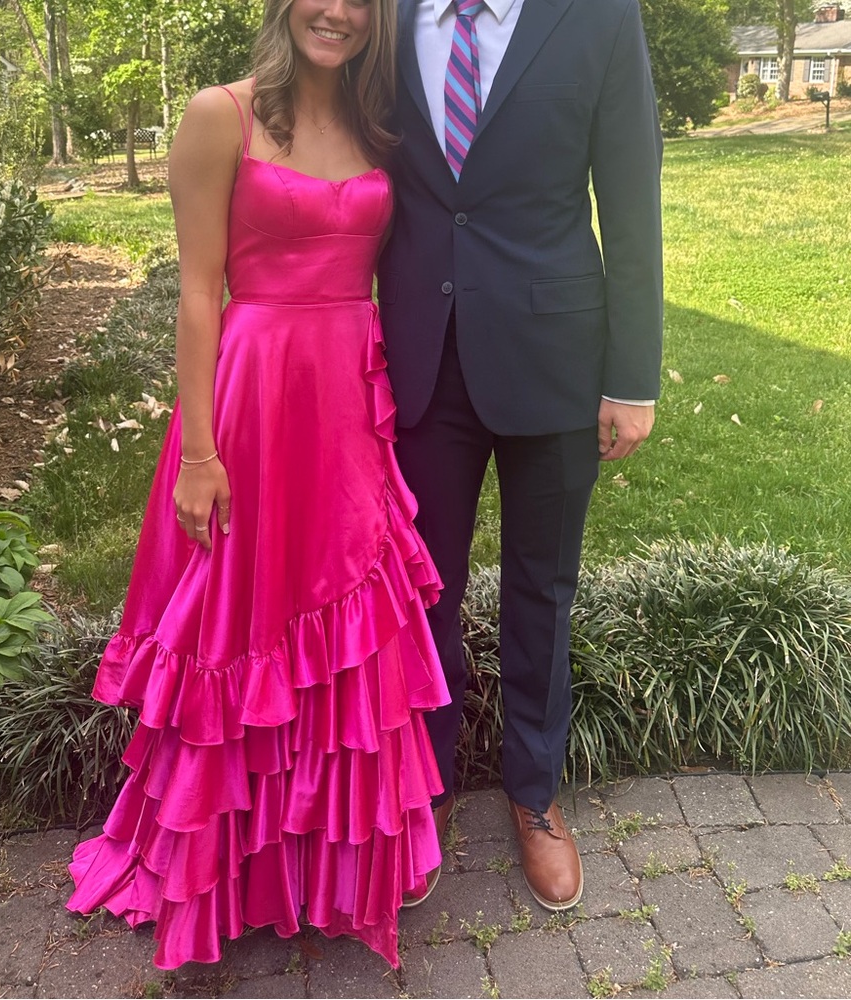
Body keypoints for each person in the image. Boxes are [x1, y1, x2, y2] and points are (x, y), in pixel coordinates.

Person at [66, 0, 450, 969]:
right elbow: (199, 289)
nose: (339, 11)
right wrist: (199, 452)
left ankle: (322, 864)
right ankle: (223, 867)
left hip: (349, 403)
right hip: (252, 398)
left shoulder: (378, 124)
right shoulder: (218, 115)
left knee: (344, 627)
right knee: (241, 624)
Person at [378, 0, 663, 911]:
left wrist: (633, 377)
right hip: (423, 357)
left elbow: (630, 191)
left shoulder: (597, 16)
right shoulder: (385, 16)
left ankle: (534, 796)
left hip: (555, 360)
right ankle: (421, 789)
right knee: (428, 589)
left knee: (543, 585)